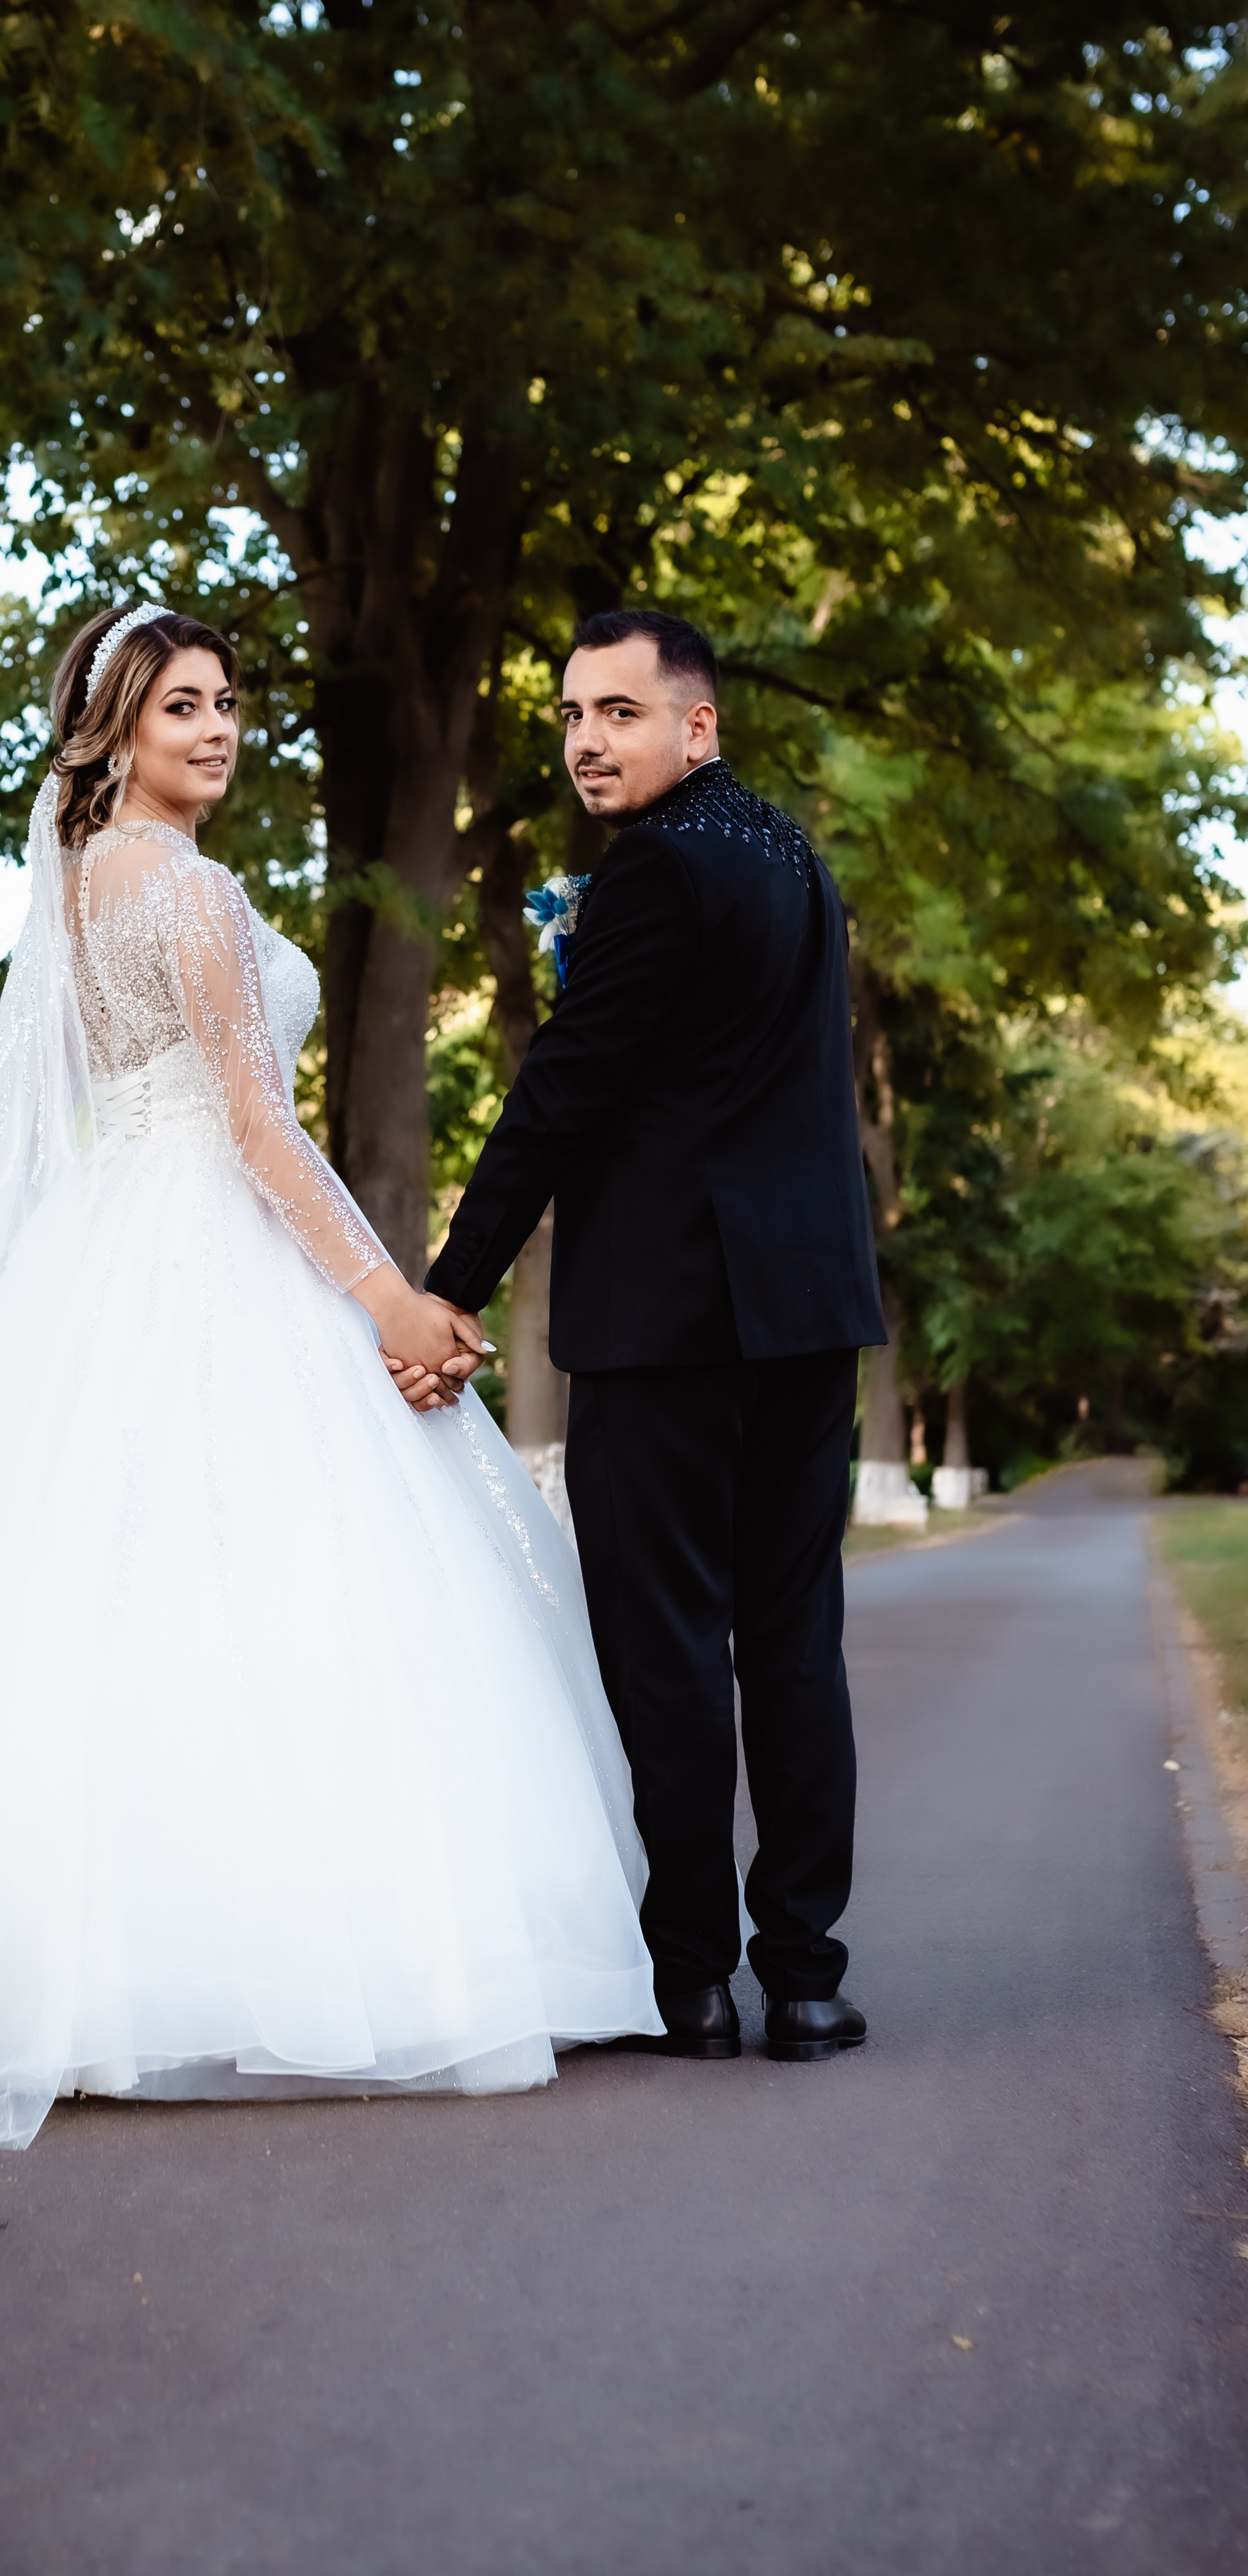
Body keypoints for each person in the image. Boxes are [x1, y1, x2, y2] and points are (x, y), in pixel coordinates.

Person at [0, 602, 661, 2147]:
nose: (214, 729)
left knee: (84, 1592)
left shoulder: (84, 883)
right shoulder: (188, 891)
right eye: (178, 710)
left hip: (113, 1239)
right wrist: (386, 1301)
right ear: (114, 735)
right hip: (206, 1237)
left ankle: (60, 1975)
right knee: (251, 1586)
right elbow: (256, 1128)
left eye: (223, 703)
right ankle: (254, 1963)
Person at [426, 611, 885, 2064]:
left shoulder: (654, 874)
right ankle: (804, 1980)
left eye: (617, 713)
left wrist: (449, 1282)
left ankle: (687, 1978)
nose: (582, 740)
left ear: (697, 726)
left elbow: (565, 1088)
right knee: (792, 1644)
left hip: (671, 1325)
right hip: (808, 1313)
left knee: (669, 1653)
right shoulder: (789, 858)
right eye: (570, 714)